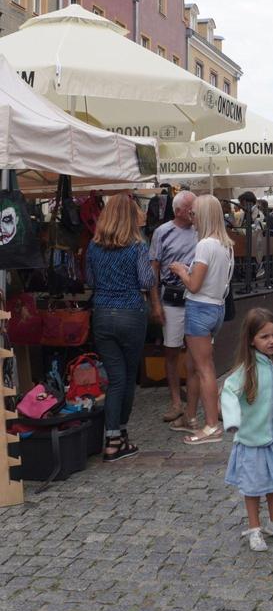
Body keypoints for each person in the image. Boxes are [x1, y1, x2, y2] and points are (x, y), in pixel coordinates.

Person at [221, 307, 273, 551]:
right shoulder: (247, 369)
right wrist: (233, 420)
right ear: (251, 340)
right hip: (252, 440)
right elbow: (228, 392)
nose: (272, 340)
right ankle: (255, 528)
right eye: (264, 336)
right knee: (253, 488)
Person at [86, 194, 155, 462]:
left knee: (115, 378)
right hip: (131, 313)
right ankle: (116, 438)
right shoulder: (137, 246)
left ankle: (116, 436)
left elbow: (90, 280)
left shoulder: (94, 247)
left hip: (102, 314)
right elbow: (147, 281)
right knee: (126, 379)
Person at [168, 194, 234, 446]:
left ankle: (211, 426)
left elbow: (194, 285)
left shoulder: (205, 245)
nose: (191, 217)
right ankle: (191, 417)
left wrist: (182, 271)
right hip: (215, 308)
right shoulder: (225, 245)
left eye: (194, 213)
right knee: (196, 366)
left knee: (204, 369)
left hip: (200, 308)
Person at [148, 190, 198, 425]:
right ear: (178, 211)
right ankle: (176, 400)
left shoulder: (201, 230)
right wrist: (155, 302)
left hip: (197, 298)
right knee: (172, 350)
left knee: (198, 350)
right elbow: (154, 269)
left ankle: (195, 399)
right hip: (173, 299)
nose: (194, 211)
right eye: (190, 208)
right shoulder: (162, 232)